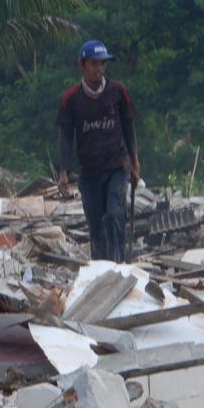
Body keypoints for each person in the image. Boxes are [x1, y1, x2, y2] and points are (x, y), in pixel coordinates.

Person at [57, 40, 140, 262]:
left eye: (102, 64)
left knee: (114, 215)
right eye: (94, 64)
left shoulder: (118, 92)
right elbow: (66, 136)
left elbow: (129, 128)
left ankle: (118, 264)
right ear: (82, 66)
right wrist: (63, 170)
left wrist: (135, 162)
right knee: (96, 227)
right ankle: (101, 268)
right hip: (90, 172)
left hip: (116, 167)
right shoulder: (71, 99)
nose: (99, 69)